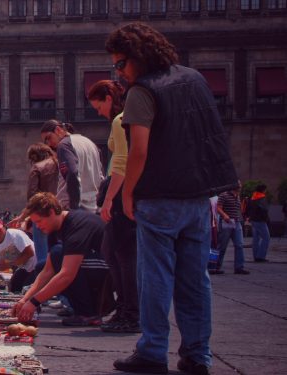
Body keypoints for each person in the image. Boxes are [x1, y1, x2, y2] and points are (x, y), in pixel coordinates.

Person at [107, 22, 238, 375]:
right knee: (196, 280)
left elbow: (139, 151)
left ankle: (152, 351)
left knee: (155, 277)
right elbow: (209, 135)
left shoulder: (142, 91)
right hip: (196, 197)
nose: (119, 73)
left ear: (138, 57)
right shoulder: (194, 80)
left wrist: (128, 194)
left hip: (159, 197)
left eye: (121, 64)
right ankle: (197, 355)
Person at [87, 79, 140, 334]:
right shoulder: (122, 120)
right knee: (113, 252)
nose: (98, 112)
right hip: (120, 192)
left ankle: (131, 312)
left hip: (119, 194)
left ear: (108, 99)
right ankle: (125, 307)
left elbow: (121, 161)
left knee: (123, 256)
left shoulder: (120, 121)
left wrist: (110, 198)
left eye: (98, 106)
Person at [13, 193, 113, 327]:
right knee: (45, 263)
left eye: (39, 221)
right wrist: (25, 299)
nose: (37, 226)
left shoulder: (76, 225)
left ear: (52, 212)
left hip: (109, 269)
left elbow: (67, 274)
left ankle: (88, 312)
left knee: (59, 255)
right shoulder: (54, 229)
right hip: (94, 265)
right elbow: (47, 271)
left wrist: (34, 303)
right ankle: (83, 308)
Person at [12, 143, 59, 271]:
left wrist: (23, 217)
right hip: (61, 213)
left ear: (34, 156)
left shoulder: (37, 168)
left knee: (42, 255)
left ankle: (42, 281)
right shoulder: (60, 164)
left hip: (41, 215)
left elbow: (32, 197)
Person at [40, 121, 104, 212]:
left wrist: (74, 207)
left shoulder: (63, 145)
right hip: (94, 205)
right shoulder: (90, 143)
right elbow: (101, 174)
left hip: (75, 206)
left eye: (48, 138)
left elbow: (72, 173)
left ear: (58, 130)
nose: (49, 144)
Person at [0, 218, 36, 294]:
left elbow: (30, 252)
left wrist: (12, 263)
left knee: (26, 290)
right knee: (13, 286)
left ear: (4, 227)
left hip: (36, 265)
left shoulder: (15, 235)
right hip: (24, 267)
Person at [213, 182, 247, 274]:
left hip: (237, 222)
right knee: (222, 246)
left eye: (240, 185)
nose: (240, 186)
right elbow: (218, 208)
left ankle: (239, 267)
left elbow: (238, 210)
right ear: (233, 185)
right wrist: (224, 215)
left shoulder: (238, 196)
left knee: (239, 245)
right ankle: (215, 267)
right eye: (239, 185)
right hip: (226, 223)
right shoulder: (224, 195)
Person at [246, 184, 270, 263]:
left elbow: (248, 208)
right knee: (266, 237)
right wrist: (266, 218)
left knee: (256, 238)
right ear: (263, 190)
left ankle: (256, 256)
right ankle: (261, 256)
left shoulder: (252, 198)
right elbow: (264, 210)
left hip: (253, 220)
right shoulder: (262, 198)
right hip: (260, 220)